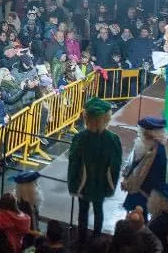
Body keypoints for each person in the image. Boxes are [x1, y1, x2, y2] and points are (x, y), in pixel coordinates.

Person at [68, 98, 122, 246]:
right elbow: (116, 166)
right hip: (102, 183)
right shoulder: (113, 139)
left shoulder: (80, 138)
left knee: (83, 212)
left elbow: (73, 163)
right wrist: (112, 184)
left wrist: (73, 184)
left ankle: (81, 239)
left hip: (83, 183)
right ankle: (97, 239)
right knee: (99, 210)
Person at [121, 117, 168, 218]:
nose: (140, 133)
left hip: (145, 190)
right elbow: (131, 161)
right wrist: (126, 177)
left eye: (143, 131)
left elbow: (158, 174)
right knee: (131, 213)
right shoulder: (141, 143)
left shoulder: (158, 151)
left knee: (140, 216)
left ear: (151, 133)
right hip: (134, 185)